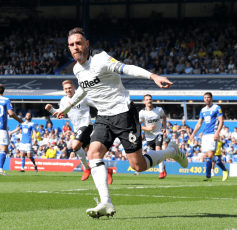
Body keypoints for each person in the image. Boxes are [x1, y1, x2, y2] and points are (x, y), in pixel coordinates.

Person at [53, 28, 187, 218]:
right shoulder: (76, 69)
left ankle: (172, 151)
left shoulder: (101, 59)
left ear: (87, 44)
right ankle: (105, 202)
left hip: (124, 114)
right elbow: (84, 89)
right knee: (93, 153)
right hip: (103, 117)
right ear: (69, 47)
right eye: (72, 44)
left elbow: (127, 68)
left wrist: (153, 76)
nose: (76, 47)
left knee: (138, 166)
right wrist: (66, 108)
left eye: (79, 43)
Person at [46, 80, 115, 183]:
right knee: (91, 155)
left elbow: (98, 104)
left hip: (86, 125)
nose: (68, 90)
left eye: (70, 88)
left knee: (75, 146)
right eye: (66, 89)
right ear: (64, 90)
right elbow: (59, 114)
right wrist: (51, 109)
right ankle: (107, 171)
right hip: (77, 129)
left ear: (74, 87)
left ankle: (86, 167)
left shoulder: (83, 96)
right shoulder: (63, 100)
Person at [190, 92, 228, 182]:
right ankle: (208, 177)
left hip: (213, 133)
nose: (206, 99)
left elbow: (221, 121)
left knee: (211, 155)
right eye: (205, 98)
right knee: (206, 155)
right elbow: (199, 123)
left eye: (208, 97)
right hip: (205, 134)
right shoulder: (203, 110)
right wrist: (193, 134)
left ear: (211, 98)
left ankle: (225, 170)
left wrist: (217, 133)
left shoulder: (217, 108)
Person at [0, 84, 23, 176]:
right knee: (4, 147)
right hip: (2, 127)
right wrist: (19, 120)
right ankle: (0, 169)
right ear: (3, 91)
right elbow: (11, 113)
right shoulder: (6, 100)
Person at [138, 94, 167, 179]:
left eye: (150, 99)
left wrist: (164, 127)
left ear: (152, 100)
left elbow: (164, 117)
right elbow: (137, 125)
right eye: (147, 99)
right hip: (149, 137)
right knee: (153, 155)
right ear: (144, 102)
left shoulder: (159, 110)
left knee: (158, 150)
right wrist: (147, 128)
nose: (149, 101)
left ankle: (161, 172)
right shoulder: (142, 113)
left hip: (158, 133)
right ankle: (163, 167)